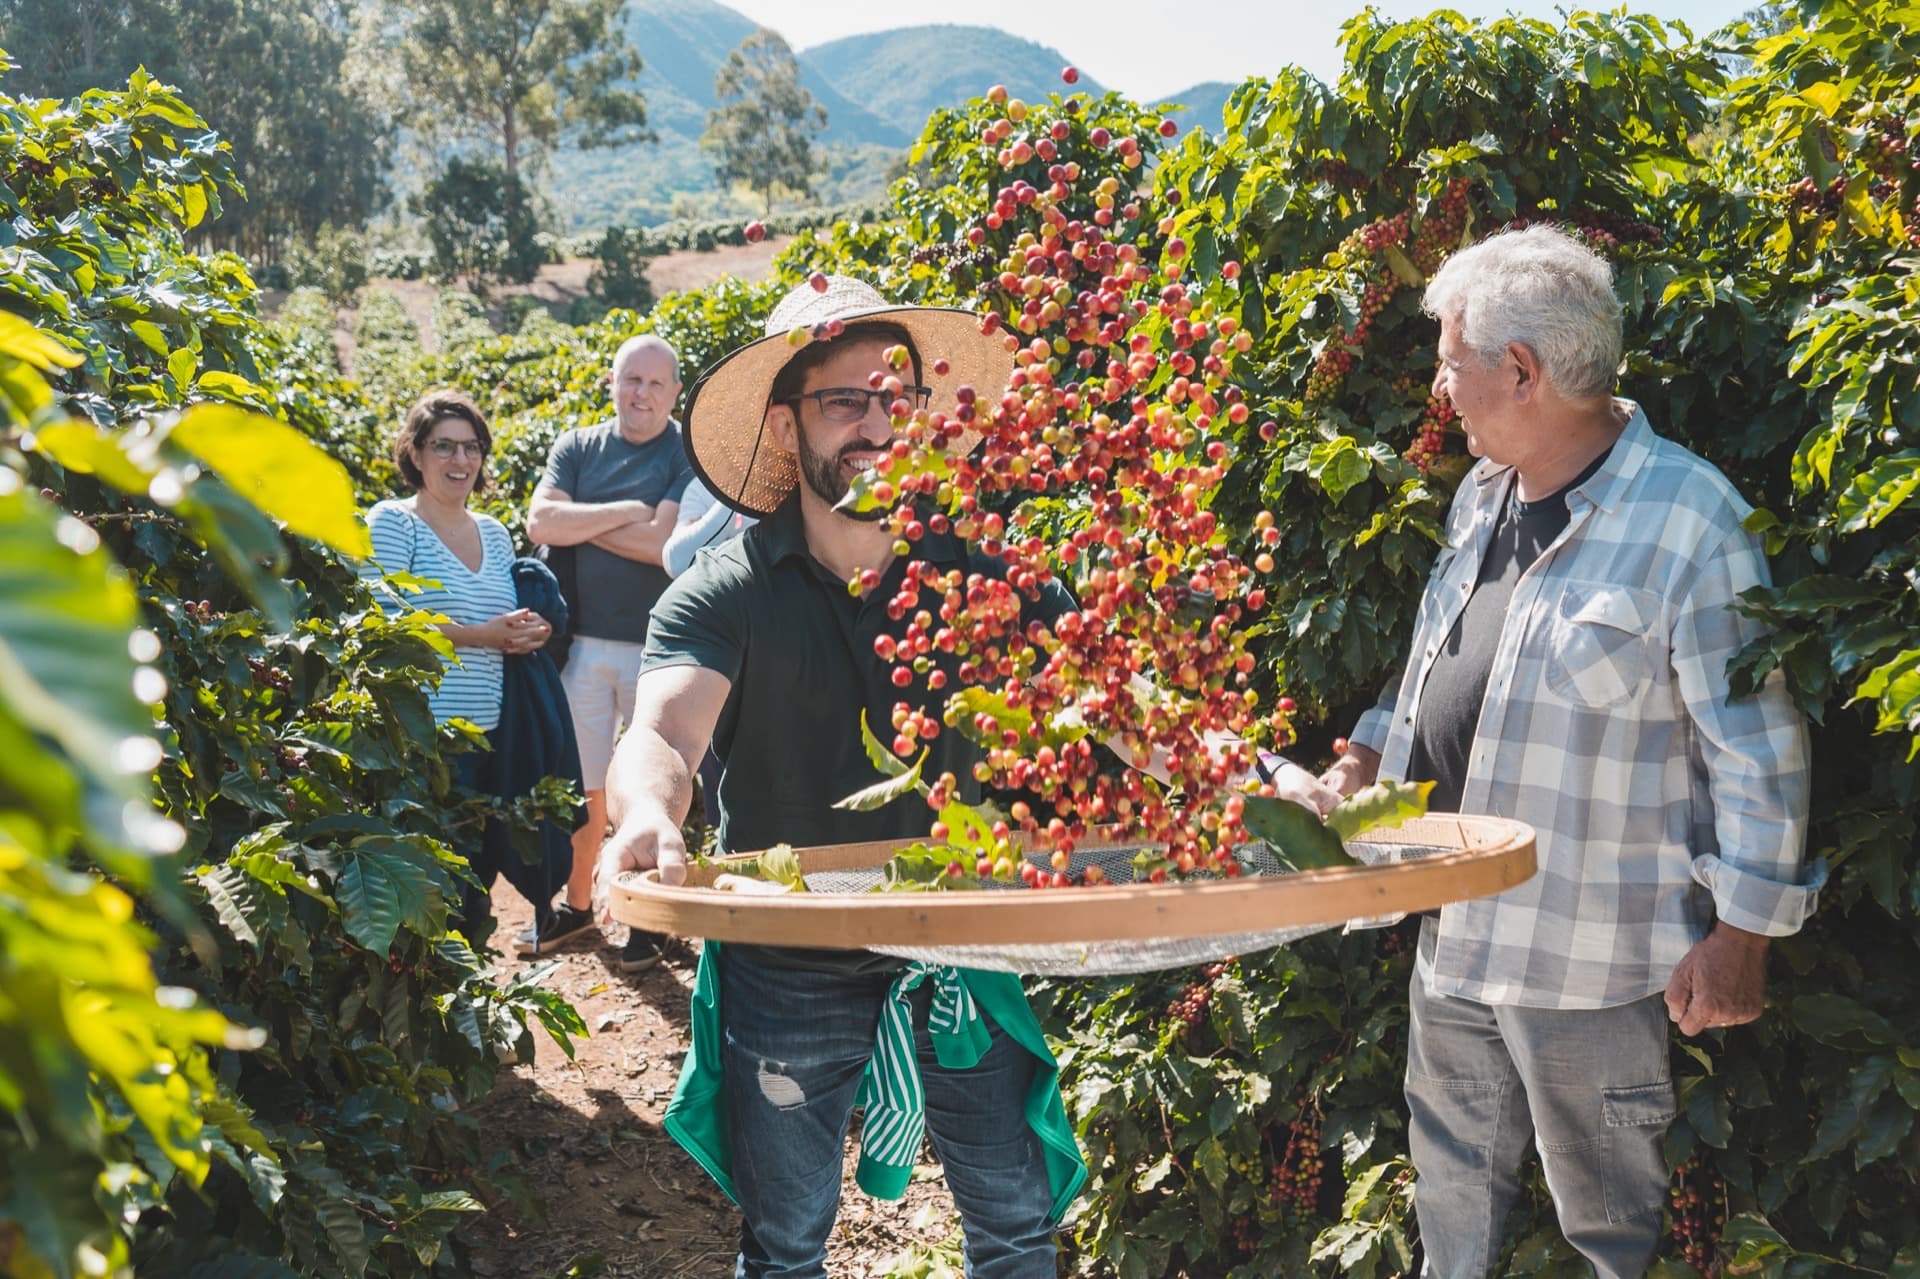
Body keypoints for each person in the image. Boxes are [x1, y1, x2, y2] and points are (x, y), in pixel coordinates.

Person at [1293, 226, 1821, 1278]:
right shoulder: (1482, 495)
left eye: (1450, 358)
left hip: (1591, 962)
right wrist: (1364, 755)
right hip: (1452, 936)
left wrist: (1744, 937)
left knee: (1609, 1231)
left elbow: (1759, 747)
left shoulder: (1689, 521)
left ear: (1520, 371)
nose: (1440, 385)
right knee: (1451, 1208)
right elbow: (1436, 663)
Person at [592, 277, 1090, 1278]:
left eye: (895, 401)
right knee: (785, 1242)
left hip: (961, 939)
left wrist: (1250, 776)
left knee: (1015, 1222)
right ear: (785, 426)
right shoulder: (725, 591)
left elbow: (1114, 705)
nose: (876, 426)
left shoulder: (986, 576)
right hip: (791, 956)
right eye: (845, 403)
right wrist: (646, 809)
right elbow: (663, 729)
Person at [360, 389, 554, 938]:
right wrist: (482, 637)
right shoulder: (395, 524)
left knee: (474, 877)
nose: (460, 461)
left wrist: (529, 630)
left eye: (472, 448)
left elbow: (502, 619)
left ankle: (464, 994)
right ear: (415, 454)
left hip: (487, 737)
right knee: (427, 881)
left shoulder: (493, 533)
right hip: (421, 741)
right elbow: (384, 622)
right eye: (443, 446)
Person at [525, 334, 692, 968]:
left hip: (658, 649)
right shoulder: (576, 446)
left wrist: (586, 521)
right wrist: (629, 511)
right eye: (631, 380)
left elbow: (663, 546)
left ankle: (650, 914)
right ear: (612, 383)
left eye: (655, 383)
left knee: (652, 786)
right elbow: (541, 524)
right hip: (583, 645)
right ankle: (577, 902)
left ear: (674, 392)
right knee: (585, 784)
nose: (641, 393)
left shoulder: (684, 451)